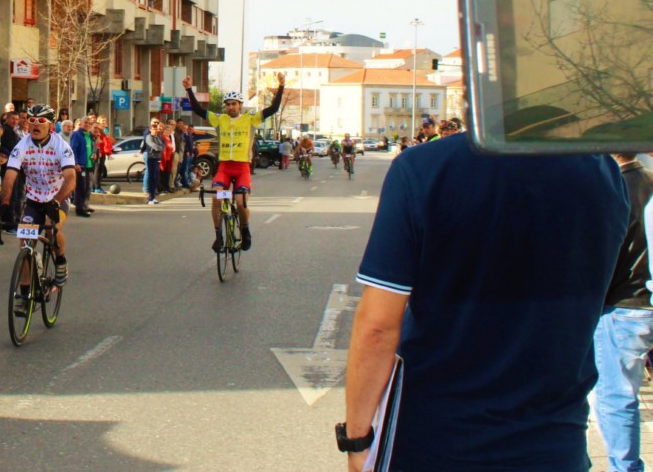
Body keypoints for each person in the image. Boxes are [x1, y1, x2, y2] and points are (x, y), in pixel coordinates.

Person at [341, 133, 627, 472]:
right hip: (554, 444)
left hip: (436, 443)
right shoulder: (604, 173)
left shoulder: (425, 167)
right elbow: (599, 303)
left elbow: (377, 326)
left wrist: (357, 440)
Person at [593, 152, 653, 472]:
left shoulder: (614, 189)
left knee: (616, 398)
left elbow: (606, 253)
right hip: (643, 298)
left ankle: (625, 467)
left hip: (623, 303)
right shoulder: (648, 182)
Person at [185, 74, 285, 251]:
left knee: (240, 201)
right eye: (228, 104)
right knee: (217, 197)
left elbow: (274, 108)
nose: (230, 107)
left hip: (242, 168)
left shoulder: (250, 119)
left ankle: (245, 230)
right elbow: (198, 110)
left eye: (234, 104)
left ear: (240, 105)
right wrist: (188, 90)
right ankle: (219, 236)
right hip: (224, 168)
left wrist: (281, 86)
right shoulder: (219, 119)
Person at [0, 104, 76, 316]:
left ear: (50, 125)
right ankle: (24, 297)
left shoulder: (61, 146)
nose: (35, 124)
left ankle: (60, 260)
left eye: (41, 121)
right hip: (33, 200)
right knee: (25, 243)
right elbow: (10, 175)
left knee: (52, 229)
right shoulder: (22, 145)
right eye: (32, 120)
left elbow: (70, 180)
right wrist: (4, 204)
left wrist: (57, 200)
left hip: (57, 198)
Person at [69, 116, 96, 217]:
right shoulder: (76, 134)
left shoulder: (88, 135)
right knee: (81, 187)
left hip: (88, 164)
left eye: (89, 123)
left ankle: (84, 206)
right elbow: (73, 150)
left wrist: (94, 154)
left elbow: (91, 148)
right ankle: (79, 209)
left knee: (86, 188)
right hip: (80, 165)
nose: (87, 125)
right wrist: (75, 163)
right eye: (85, 123)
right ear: (80, 123)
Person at [141, 117, 165, 205]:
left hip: (157, 159)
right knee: (151, 177)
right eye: (153, 129)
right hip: (151, 158)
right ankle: (149, 197)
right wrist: (159, 148)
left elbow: (162, 146)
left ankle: (153, 197)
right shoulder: (148, 137)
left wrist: (160, 148)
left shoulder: (158, 137)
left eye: (156, 129)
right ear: (150, 129)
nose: (155, 130)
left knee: (155, 178)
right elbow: (155, 147)